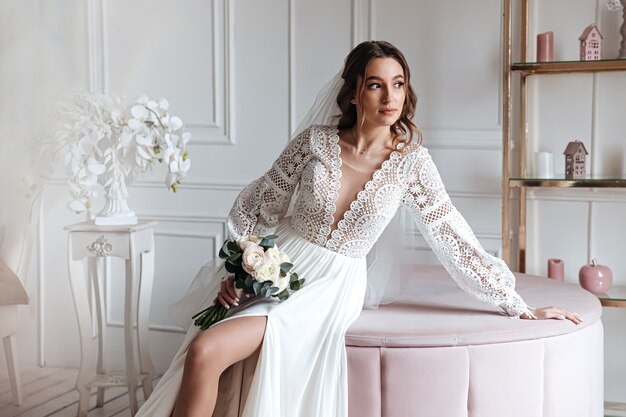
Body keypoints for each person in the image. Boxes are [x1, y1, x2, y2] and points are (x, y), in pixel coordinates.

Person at [137, 40, 581, 417]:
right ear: (353, 94)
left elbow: (453, 238)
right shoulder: (315, 142)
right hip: (278, 265)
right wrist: (239, 269)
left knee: (207, 351)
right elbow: (257, 208)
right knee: (201, 352)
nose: (390, 96)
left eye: (399, 84)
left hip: (330, 284)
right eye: (375, 84)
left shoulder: (411, 164)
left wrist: (515, 303)